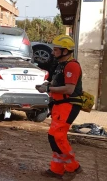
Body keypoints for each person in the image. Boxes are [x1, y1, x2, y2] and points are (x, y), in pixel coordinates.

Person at [36, 35, 83, 179]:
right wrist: (46, 85)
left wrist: (48, 88)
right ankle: (56, 170)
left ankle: (73, 167)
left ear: (65, 51)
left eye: (56, 50)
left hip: (68, 104)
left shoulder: (72, 66)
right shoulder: (59, 65)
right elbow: (55, 83)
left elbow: (69, 89)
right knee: (53, 137)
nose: (52, 52)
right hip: (59, 105)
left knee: (58, 136)